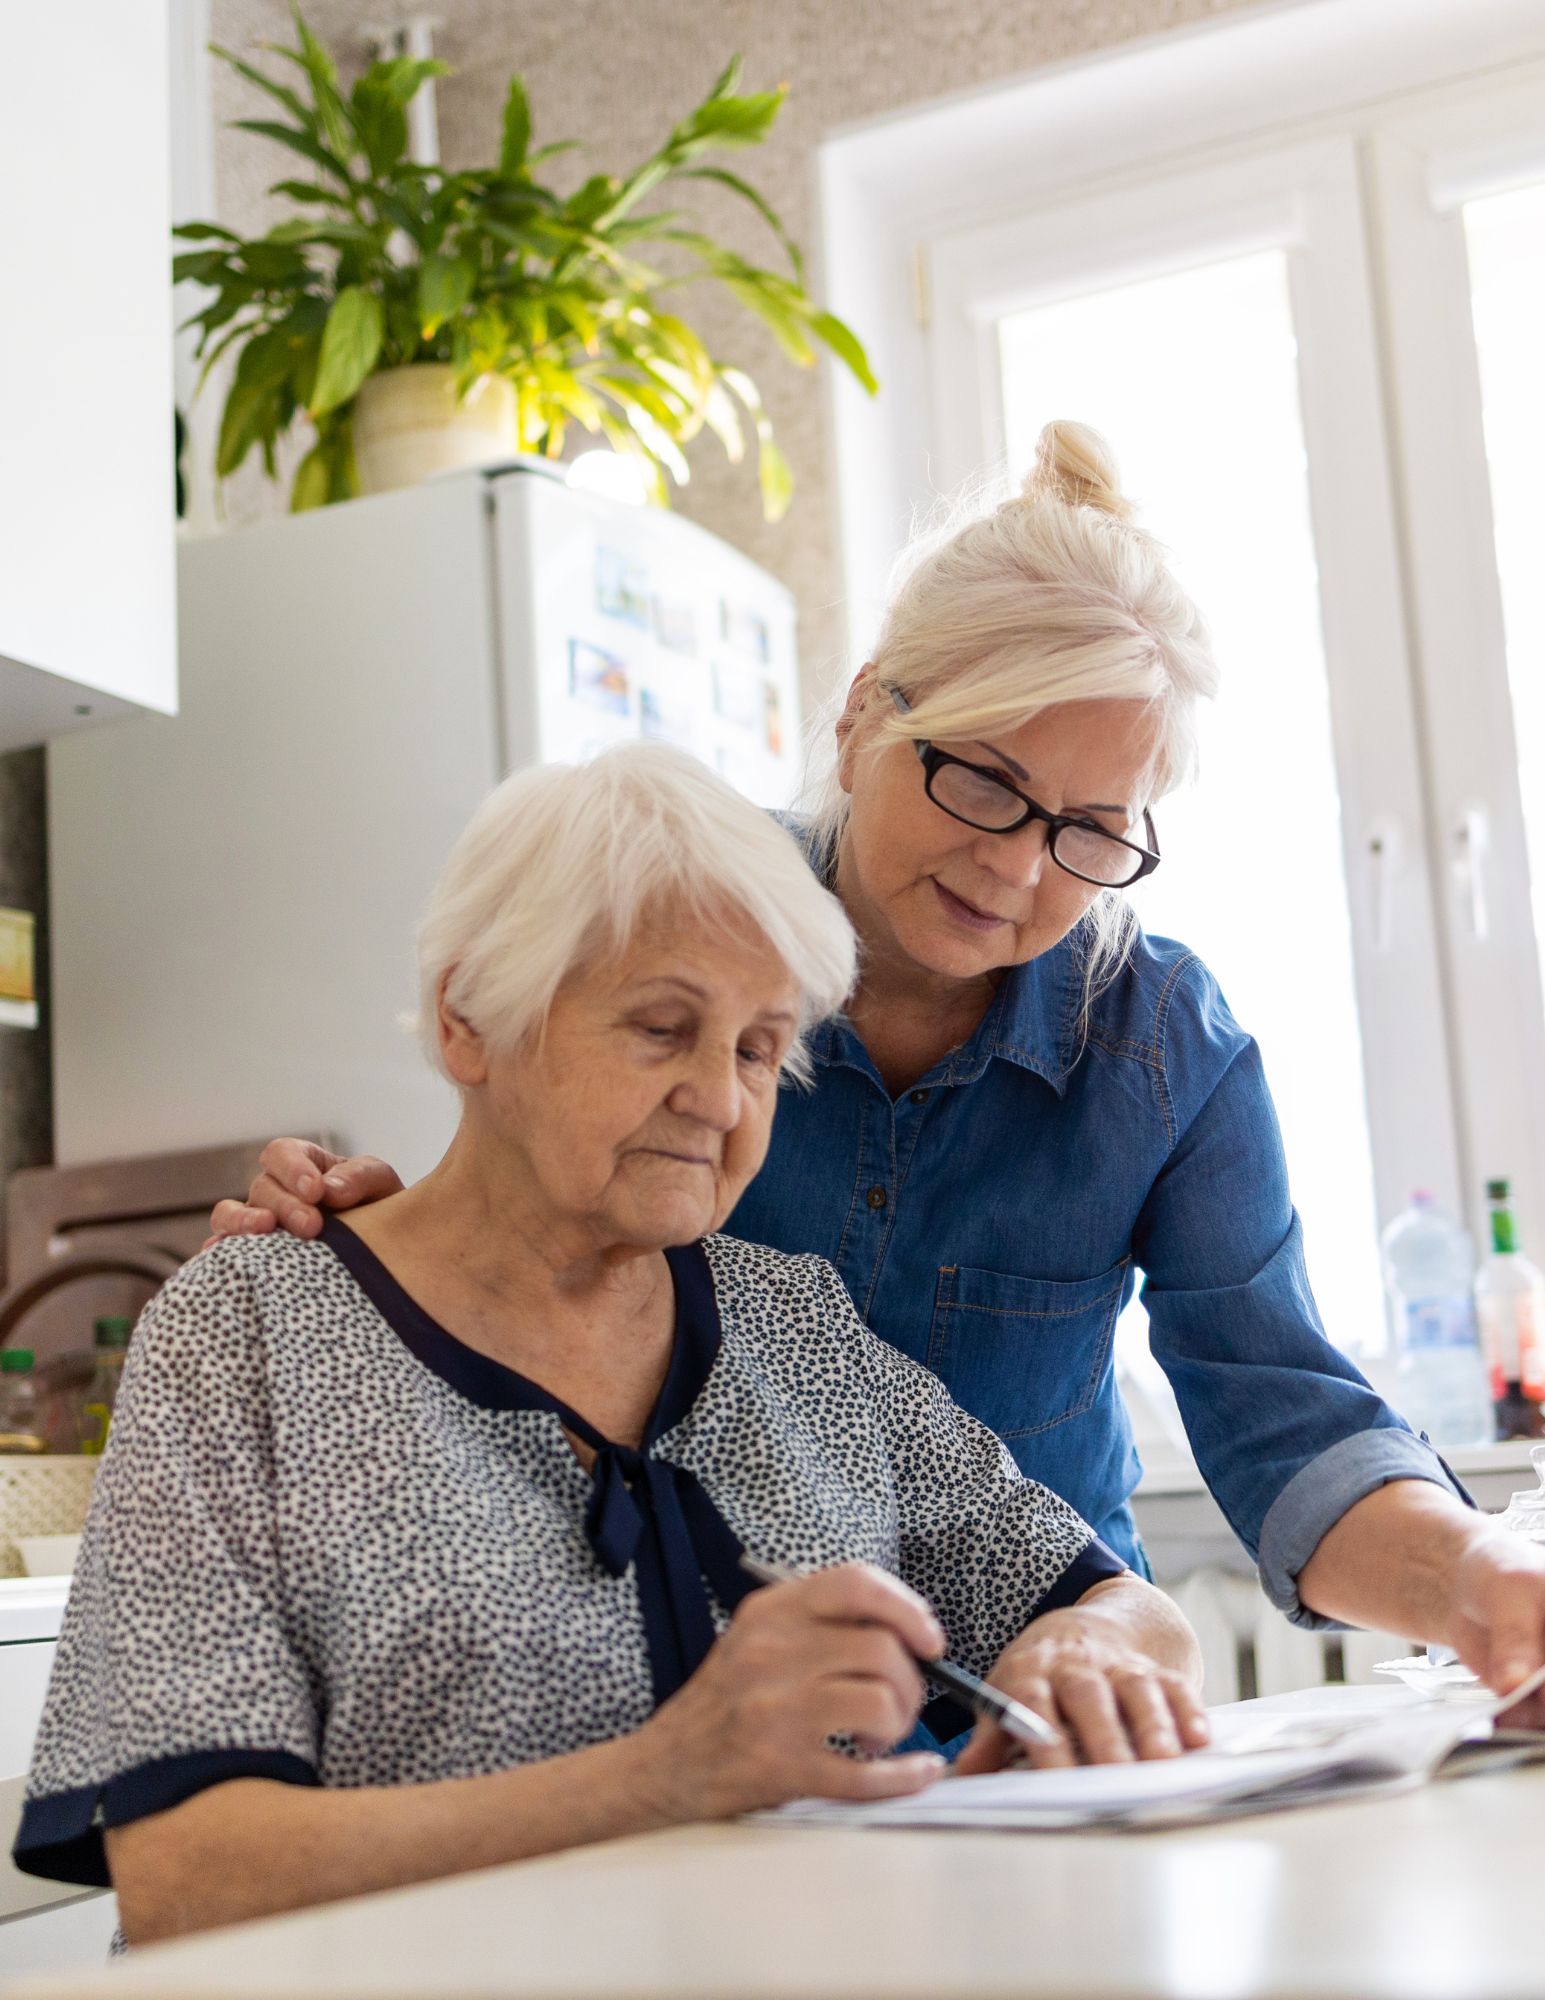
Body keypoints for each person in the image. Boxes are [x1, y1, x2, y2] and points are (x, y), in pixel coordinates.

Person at [217, 421, 1545, 1710]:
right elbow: (512, 1235)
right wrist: (359, 1247)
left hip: (1041, 1707)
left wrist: (1485, 1577)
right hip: (699, 1725)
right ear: (861, 718)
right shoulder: (684, 926)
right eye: (981, 780)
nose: (1017, 865)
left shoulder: (1160, 1050)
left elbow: (1286, 1418)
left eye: (1090, 830)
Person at [16, 747, 1206, 1945]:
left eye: (756, 1046)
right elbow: (183, 1872)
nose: (724, 1099)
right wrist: (667, 1772)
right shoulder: (248, 1329)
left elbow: (1118, 1597)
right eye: (661, 1026)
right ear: (468, 1016)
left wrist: (1088, 1658)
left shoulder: (792, 1320)